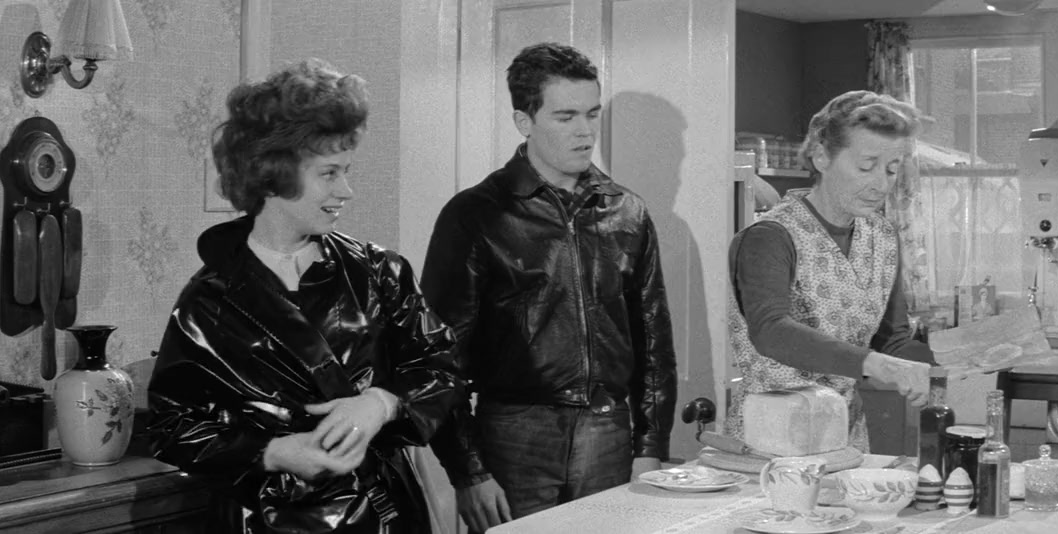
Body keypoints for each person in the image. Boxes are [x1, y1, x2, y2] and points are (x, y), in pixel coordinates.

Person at [148, 58, 467, 533]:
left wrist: (382, 403)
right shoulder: (208, 301)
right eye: (330, 173)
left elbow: (442, 367)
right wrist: (274, 451)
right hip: (269, 521)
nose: (347, 190)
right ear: (274, 174)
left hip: (384, 515)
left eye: (346, 171)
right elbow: (172, 426)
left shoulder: (378, 271)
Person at [423, 42, 677, 530]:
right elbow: (439, 356)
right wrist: (468, 470)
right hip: (514, 434)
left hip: (608, 429)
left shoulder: (628, 211)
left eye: (592, 114)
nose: (585, 131)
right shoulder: (475, 214)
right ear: (525, 121)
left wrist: (651, 447)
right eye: (565, 116)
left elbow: (654, 342)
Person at [724, 90, 937, 453]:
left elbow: (892, 338)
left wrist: (955, 358)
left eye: (892, 168)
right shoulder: (770, 237)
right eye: (866, 166)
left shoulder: (882, 236)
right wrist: (878, 365)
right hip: (770, 439)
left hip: (844, 435)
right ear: (822, 156)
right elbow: (771, 331)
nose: (881, 184)